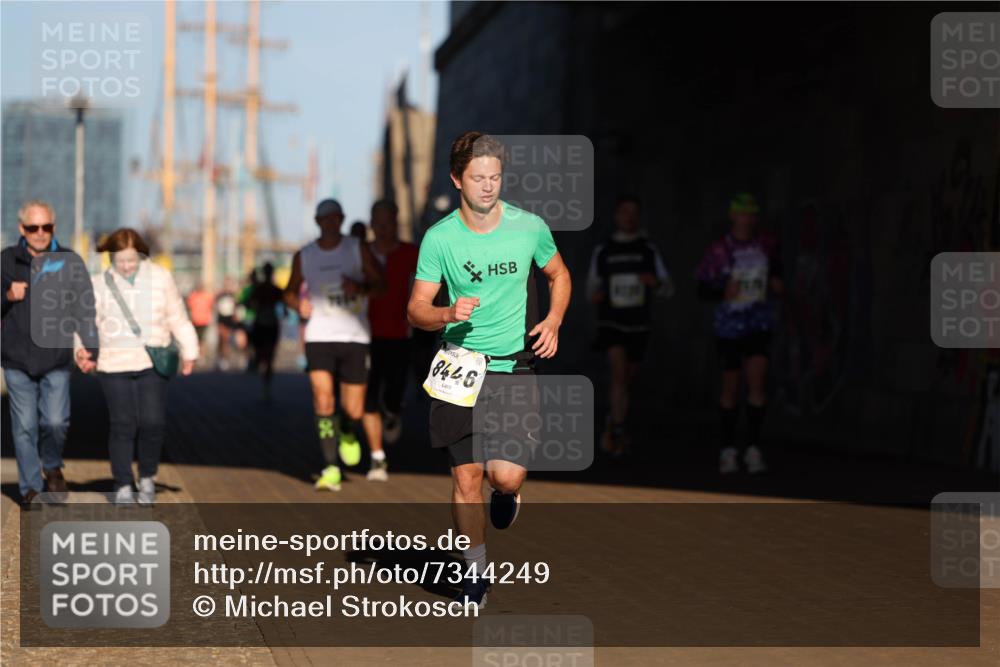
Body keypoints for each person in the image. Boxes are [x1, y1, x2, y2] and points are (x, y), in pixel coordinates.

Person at [407, 132, 571, 608]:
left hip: (513, 368)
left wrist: (555, 319)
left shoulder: (529, 228)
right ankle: (474, 572)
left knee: (507, 477)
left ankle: (507, 496)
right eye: (478, 178)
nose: (487, 187)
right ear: (458, 178)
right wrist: (445, 313)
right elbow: (416, 309)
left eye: (495, 178)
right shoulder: (440, 239)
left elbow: (559, 275)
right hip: (459, 368)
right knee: (466, 477)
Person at [90, 228, 199, 504]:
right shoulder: (99, 283)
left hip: (153, 358)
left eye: (131, 259)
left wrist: (190, 351)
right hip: (113, 362)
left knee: (153, 422)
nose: (126, 266)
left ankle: (147, 475)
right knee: (122, 423)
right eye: (120, 260)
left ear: (141, 255)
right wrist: (81, 351)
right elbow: (85, 323)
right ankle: (123, 482)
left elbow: (177, 315)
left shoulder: (161, 278)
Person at [1, 200, 98, 507]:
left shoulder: (70, 261)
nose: (40, 233)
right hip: (17, 359)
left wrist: (90, 346)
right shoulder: (6, 261)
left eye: (46, 227)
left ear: (53, 228)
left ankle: (52, 465)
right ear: (22, 229)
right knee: (25, 426)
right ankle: (31, 488)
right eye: (33, 227)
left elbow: (84, 307)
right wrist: (7, 296)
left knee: (56, 422)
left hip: (55, 357)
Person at [284, 199, 384, 491]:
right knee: (323, 398)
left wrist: (361, 287)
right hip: (319, 336)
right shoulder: (305, 255)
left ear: (341, 219)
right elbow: (289, 292)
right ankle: (331, 467)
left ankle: (348, 430)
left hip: (354, 336)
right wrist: (297, 304)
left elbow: (382, 284)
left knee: (353, 410)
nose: (330, 222)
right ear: (318, 222)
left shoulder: (356, 248)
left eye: (335, 217)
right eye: (324, 218)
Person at [696, 193, 784, 475]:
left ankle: (754, 447)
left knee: (757, 381)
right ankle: (728, 448)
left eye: (751, 214)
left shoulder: (766, 245)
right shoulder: (720, 249)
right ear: (733, 216)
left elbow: (778, 276)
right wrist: (722, 291)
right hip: (729, 327)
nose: (746, 220)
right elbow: (701, 288)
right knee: (731, 386)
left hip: (757, 323)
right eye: (741, 214)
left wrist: (777, 285)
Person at [587, 194, 672, 457]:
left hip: (639, 324)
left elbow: (668, 287)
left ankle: (614, 420)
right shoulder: (605, 250)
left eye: (633, 213)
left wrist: (654, 283)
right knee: (620, 374)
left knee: (628, 379)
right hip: (612, 322)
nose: (629, 218)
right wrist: (597, 294)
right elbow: (590, 288)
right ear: (616, 216)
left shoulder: (648, 249)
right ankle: (619, 431)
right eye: (624, 212)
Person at [362, 199, 419, 481]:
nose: (383, 229)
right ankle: (377, 458)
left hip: (401, 333)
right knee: (368, 395)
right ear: (372, 224)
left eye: (388, 224)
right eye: (378, 223)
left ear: (396, 224)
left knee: (395, 389)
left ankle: (394, 412)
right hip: (365, 334)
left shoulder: (412, 253)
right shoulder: (360, 254)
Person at [247, 262, 285, 400]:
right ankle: (265, 383)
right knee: (268, 356)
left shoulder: (262, 289)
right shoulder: (274, 289)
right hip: (268, 324)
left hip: (263, 324)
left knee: (266, 356)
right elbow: (285, 308)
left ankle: (264, 381)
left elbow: (249, 304)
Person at [215, 278, 238, 370]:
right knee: (222, 339)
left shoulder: (233, 295)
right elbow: (215, 301)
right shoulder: (221, 295)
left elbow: (236, 306)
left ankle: (224, 358)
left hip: (229, 319)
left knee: (226, 340)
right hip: (221, 319)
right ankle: (221, 358)